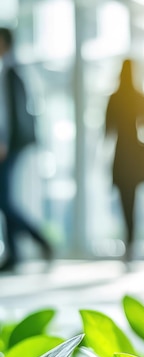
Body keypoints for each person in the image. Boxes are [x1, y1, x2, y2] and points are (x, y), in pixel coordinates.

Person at [0, 27, 53, 271]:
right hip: (9, 143)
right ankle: (15, 253)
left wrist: (5, 143)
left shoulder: (11, 71)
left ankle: (39, 240)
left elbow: (12, 113)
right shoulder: (11, 70)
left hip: (8, 145)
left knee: (4, 199)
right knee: (5, 197)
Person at [105, 59, 144, 260]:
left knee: (125, 200)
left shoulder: (114, 98)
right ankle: (132, 240)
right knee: (133, 199)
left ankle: (129, 240)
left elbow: (107, 130)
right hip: (135, 152)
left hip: (122, 153)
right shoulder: (139, 97)